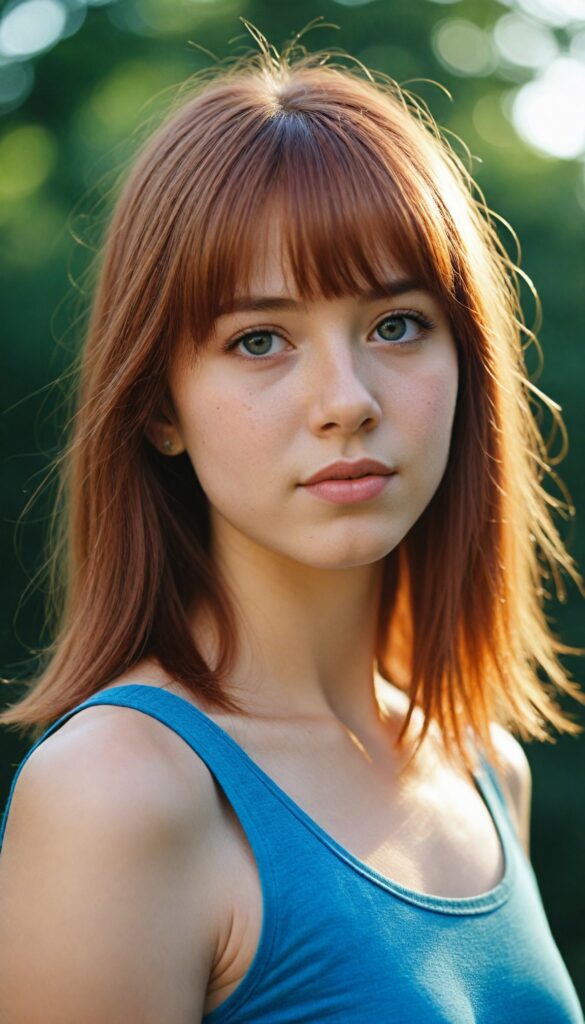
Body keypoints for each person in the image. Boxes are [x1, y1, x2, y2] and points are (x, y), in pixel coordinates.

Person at [0, 24, 583, 1024]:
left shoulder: (484, 763)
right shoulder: (116, 797)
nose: (347, 399)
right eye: (260, 339)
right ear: (158, 408)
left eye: (396, 323)